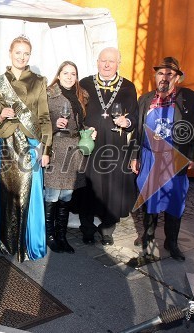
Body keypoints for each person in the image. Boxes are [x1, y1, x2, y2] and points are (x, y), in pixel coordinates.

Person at [0, 35, 52, 263]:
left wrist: (47, 149)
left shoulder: (39, 81)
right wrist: (0, 115)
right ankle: (4, 238)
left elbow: (44, 117)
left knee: (29, 195)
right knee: (3, 191)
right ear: (10, 53)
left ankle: (28, 242)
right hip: (5, 144)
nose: (22, 57)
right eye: (18, 52)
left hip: (30, 145)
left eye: (26, 53)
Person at [131, 57, 194, 261]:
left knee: (174, 201)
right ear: (155, 76)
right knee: (149, 197)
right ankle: (148, 236)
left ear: (178, 78)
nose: (164, 78)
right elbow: (138, 131)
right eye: (160, 73)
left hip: (175, 158)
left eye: (169, 74)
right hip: (149, 157)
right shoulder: (145, 99)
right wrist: (135, 156)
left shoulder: (191, 98)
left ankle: (171, 241)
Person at [78, 47, 138, 246]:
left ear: (118, 64)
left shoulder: (128, 87)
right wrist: (83, 129)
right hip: (90, 147)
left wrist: (127, 123)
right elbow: (76, 113)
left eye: (111, 61)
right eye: (103, 60)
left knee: (112, 189)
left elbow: (136, 117)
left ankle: (107, 228)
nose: (106, 65)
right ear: (97, 61)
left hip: (115, 147)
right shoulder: (85, 83)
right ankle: (86, 228)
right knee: (87, 187)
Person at [44, 61, 96, 254]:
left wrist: (88, 131)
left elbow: (80, 123)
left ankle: (62, 236)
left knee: (66, 197)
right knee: (52, 196)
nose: (69, 76)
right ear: (58, 75)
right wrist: (55, 123)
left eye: (73, 73)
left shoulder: (81, 95)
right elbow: (39, 124)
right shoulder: (49, 94)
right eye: (65, 73)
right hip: (55, 149)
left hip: (73, 152)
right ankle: (50, 236)